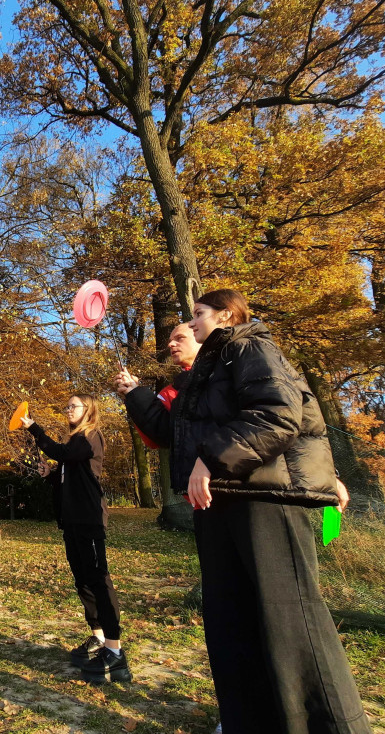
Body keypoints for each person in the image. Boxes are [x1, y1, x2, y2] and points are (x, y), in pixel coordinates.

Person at [115, 289, 370, 734]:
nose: (188, 325)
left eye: (197, 315)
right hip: (218, 503)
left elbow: (280, 416)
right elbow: (171, 431)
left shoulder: (250, 346)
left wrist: (210, 459)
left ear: (227, 315)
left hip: (263, 501)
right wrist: (136, 394)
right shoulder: (201, 376)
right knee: (230, 620)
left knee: (289, 620)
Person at [21, 394, 131, 684]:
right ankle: (97, 637)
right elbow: (68, 474)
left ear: (88, 410)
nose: (68, 410)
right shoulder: (75, 442)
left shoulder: (90, 436)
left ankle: (115, 652)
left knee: (98, 579)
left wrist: (34, 427)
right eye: (66, 406)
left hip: (89, 520)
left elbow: (59, 452)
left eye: (74, 406)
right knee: (82, 579)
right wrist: (51, 476)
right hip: (72, 522)